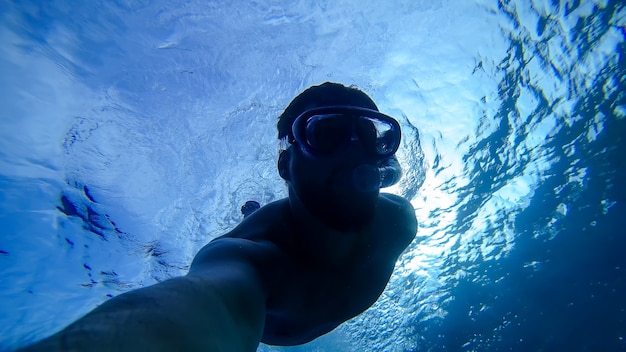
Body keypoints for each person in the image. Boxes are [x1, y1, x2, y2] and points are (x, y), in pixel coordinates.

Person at [19, 82, 417, 351]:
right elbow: (200, 305)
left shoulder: (399, 221)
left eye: (371, 136)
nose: (353, 153)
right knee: (255, 217)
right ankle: (251, 211)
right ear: (285, 164)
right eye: (325, 134)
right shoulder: (246, 259)